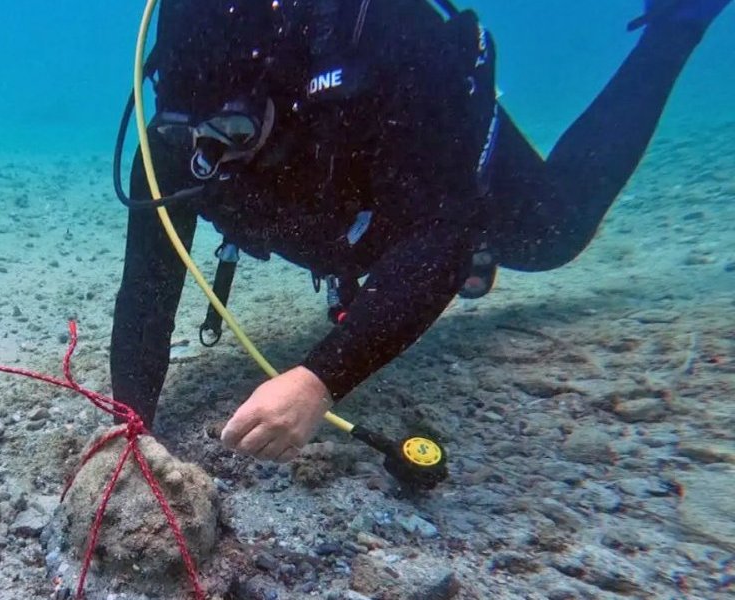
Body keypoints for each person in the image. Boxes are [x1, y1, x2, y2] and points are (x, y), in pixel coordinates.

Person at [109, 0, 730, 463]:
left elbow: (441, 238)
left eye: (234, 136)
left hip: (430, 164)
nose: (210, 161)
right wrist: (129, 419)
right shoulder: (184, 136)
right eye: (185, 136)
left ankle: (676, 26)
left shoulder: (393, 43)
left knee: (552, 235)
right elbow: (148, 286)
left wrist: (318, 381)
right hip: (342, 220)